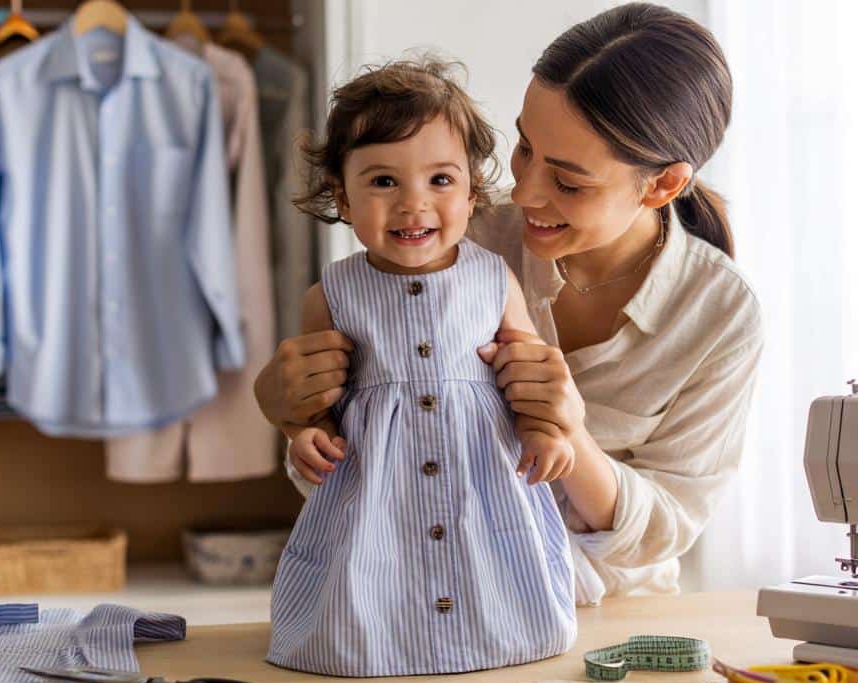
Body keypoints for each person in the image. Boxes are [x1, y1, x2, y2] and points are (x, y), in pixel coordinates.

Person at [255, 2, 764, 604]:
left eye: (569, 182)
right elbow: (357, 457)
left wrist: (570, 436)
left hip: (603, 618)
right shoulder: (449, 240)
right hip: (427, 597)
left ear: (663, 185)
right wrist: (291, 412)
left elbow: (661, 534)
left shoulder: (719, 314)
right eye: (525, 148)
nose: (522, 192)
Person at [266, 59, 577, 677]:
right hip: (377, 486)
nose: (413, 204)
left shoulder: (493, 278)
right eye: (383, 181)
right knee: (374, 577)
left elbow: (530, 373)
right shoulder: (330, 292)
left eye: (439, 179)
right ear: (341, 194)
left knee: (490, 566)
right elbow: (312, 401)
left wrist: (547, 431)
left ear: (470, 191)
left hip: (480, 477)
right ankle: (373, 644)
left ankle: (497, 636)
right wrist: (304, 434)